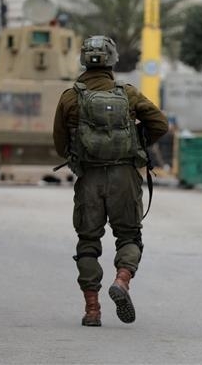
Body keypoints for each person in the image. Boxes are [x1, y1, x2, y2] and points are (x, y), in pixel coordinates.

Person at [53, 36, 168, 327]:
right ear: (113, 60)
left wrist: (80, 151)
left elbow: (59, 144)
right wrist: (137, 143)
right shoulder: (128, 94)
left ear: (83, 60)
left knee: (88, 242)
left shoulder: (70, 97)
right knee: (129, 237)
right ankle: (122, 280)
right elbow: (160, 124)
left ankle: (92, 310)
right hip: (124, 176)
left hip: (89, 178)